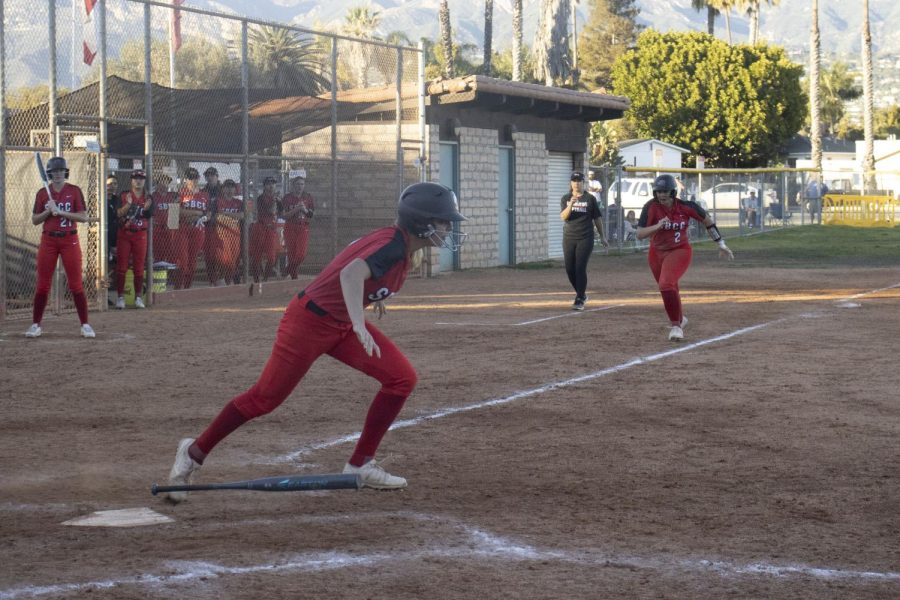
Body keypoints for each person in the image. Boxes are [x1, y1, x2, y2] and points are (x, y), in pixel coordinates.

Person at [164, 182, 468, 502]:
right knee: (263, 399)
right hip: (308, 323)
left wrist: (372, 297)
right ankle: (192, 453)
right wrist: (357, 323)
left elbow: (354, 264)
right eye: (444, 221)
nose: (448, 228)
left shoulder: (401, 246)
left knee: (401, 378)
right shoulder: (393, 245)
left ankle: (360, 464)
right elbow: (350, 274)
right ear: (422, 222)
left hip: (338, 324)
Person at [636, 174, 734, 341]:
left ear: (673, 192)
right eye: (658, 191)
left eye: (665, 191)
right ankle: (681, 319)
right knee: (669, 287)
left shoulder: (686, 206)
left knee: (666, 284)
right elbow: (640, 234)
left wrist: (721, 243)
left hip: (679, 250)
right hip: (656, 252)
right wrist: (659, 225)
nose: (662, 195)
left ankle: (676, 326)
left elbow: (708, 222)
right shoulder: (651, 207)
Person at [24, 156, 97, 339]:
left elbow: (83, 217)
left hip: (69, 240)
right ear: (49, 173)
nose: (57, 174)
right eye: (54, 171)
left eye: (60, 171)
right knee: (42, 285)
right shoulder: (43, 193)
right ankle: (36, 325)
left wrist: (61, 211)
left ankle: (85, 324)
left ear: (65, 172)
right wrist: (49, 210)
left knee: (75, 284)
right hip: (48, 240)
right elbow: (34, 220)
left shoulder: (74, 191)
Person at [560, 171, 608, 311]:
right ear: (571, 183)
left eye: (579, 181)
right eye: (574, 181)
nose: (576, 183)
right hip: (569, 237)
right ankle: (582, 293)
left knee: (580, 267)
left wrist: (603, 236)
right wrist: (571, 205)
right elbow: (563, 216)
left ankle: (580, 298)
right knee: (570, 269)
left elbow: (597, 218)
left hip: (585, 237)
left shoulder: (590, 199)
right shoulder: (566, 198)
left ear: (583, 182)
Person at [114, 170, 154, 309]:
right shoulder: (124, 195)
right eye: (136, 178)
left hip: (140, 234)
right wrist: (128, 205)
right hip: (125, 234)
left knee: (139, 267)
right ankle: (120, 297)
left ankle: (138, 297)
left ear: (144, 181)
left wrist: (147, 209)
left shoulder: (148, 197)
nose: (138, 181)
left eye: (141, 179)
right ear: (131, 180)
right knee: (122, 266)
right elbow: (118, 214)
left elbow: (148, 215)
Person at [173, 167, 209, 289]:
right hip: (183, 229)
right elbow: (175, 212)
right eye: (190, 178)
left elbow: (208, 213)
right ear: (185, 179)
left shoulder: (204, 194)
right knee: (183, 261)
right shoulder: (180, 193)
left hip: (198, 230)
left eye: (194, 177)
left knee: (193, 261)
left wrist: (202, 216)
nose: (192, 180)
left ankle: (187, 288)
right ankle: (178, 287)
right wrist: (198, 213)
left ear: (198, 178)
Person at [204, 179, 244, 285]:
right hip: (221, 234)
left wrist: (224, 213)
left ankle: (227, 282)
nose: (230, 189)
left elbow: (241, 216)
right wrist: (232, 219)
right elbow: (215, 217)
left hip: (235, 235)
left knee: (233, 262)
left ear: (235, 189)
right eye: (227, 187)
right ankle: (220, 281)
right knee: (224, 260)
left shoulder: (239, 202)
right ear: (223, 189)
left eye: (232, 187)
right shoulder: (216, 201)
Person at [281, 170, 315, 279]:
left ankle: (287, 270)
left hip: (303, 227)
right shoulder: (287, 198)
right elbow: (284, 216)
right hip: (290, 226)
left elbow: (311, 214)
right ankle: (294, 278)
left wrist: (304, 209)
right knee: (292, 254)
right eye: (297, 184)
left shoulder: (308, 197)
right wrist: (296, 209)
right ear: (293, 185)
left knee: (301, 255)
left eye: (302, 184)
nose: (300, 187)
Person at [249, 176, 281, 283]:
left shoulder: (277, 199)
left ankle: (265, 279)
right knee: (256, 257)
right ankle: (256, 280)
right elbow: (269, 211)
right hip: (261, 228)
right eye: (268, 184)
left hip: (271, 229)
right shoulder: (260, 198)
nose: (271, 186)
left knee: (272, 258)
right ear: (264, 186)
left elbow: (281, 213)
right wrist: (274, 201)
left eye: (273, 183)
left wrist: (279, 202)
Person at [151, 173, 175, 264]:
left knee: (171, 253)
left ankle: (171, 276)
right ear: (157, 184)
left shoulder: (172, 196)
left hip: (169, 228)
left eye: (167, 182)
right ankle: (158, 276)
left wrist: (171, 225)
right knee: (158, 253)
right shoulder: (153, 196)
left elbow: (175, 213)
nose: (165, 184)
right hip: (156, 228)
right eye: (163, 182)